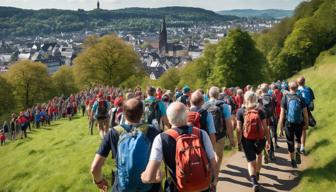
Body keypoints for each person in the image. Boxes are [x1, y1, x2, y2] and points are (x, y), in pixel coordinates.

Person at [141, 102, 218, 191]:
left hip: (178, 187)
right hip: (202, 187)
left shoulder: (161, 138)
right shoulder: (201, 133)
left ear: (169, 119)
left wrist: (146, 177)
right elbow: (213, 163)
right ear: (187, 116)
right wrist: (214, 181)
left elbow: (150, 176)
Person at [90, 98, 161, 192]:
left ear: (123, 112)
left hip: (122, 186)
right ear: (142, 112)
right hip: (150, 186)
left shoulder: (113, 133)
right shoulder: (153, 131)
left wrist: (99, 182)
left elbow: (95, 167)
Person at [236, 91, 271, 192]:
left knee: (251, 161)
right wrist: (268, 141)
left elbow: (238, 129)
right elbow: (265, 128)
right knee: (259, 155)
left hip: (246, 139)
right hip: (259, 139)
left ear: (245, 99)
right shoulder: (260, 111)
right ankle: (258, 173)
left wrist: (239, 142)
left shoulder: (240, 111)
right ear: (255, 98)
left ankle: (254, 182)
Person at [278, 81, 309, 168]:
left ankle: (292, 161)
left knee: (290, 142)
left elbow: (282, 114)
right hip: (299, 122)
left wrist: (280, 128)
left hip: (288, 123)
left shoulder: (285, 98)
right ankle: (298, 150)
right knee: (297, 138)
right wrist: (306, 124)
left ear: (289, 88)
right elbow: (305, 113)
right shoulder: (301, 98)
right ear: (297, 87)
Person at [206, 86, 234, 178]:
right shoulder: (224, 105)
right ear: (218, 95)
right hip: (220, 134)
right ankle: (215, 174)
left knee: (209, 156)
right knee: (219, 155)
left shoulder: (205, 105)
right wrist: (231, 138)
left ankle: (211, 174)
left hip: (208, 135)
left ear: (209, 94)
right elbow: (228, 123)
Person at [297, 76, 315, 155]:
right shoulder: (309, 89)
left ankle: (297, 146)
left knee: (297, 129)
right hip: (306, 111)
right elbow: (311, 101)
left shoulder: (295, 90)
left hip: (297, 112)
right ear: (304, 81)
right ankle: (302, 148)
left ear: (298, 83)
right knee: (303, 130)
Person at [259, 83, 277, 162]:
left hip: (262, 119)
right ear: (268, 90)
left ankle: (264, 154)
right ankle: (271, 153)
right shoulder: (271, 97)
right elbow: (274, 108)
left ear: (261, 90)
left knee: (262, 136)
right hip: (270, 118)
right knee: (269, 135)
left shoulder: (259, 98)